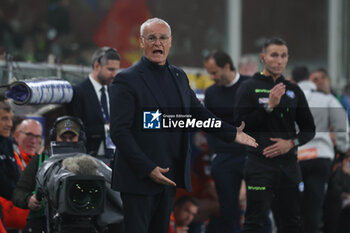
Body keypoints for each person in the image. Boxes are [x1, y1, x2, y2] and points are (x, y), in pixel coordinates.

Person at [110, 17, 257, 233]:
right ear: (142, 42)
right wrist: (148, 168)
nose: (157, 43)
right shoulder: (126, 79)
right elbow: (119, 132)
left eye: (162, 38)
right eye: (151, 38)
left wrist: (231, 133)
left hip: (169, 177)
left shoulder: (179, 76)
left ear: (170, 42)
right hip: (138, 179)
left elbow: (198, 113)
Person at [234, 37, 316, 233]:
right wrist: (268, 107)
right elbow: (239, 126)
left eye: (283, 56)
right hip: (259, 166)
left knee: (291, 223)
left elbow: (309, 129)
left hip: (289, 167)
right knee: (254, 222)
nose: (279, 60)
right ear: (263, 57)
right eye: (274, 55)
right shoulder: (248, 87)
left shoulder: (294, 90)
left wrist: (291, 143)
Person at [291, 66, 349, 233]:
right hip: (321, 157)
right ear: (310, 78)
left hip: (297, 157)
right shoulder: (326, 99)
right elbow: (341, 125)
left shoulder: (288, 99)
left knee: (297, 205)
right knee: (314, 205)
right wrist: (343, 147)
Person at [12, 116, 84, 233]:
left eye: (72, 138)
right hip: (42, 223)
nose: (67, 141)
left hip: (79, 223)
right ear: (54, 138)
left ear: (80, 138)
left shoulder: (88, 163)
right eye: (63, 137)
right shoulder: (39, 161)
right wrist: (28, 199)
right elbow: (18, 192)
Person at [204, 50, 250, 233]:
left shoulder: (251, 85)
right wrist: (215, 154)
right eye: (210, 73)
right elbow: (209, 126)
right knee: (228, 211)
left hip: (251, 155)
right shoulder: (211, 93)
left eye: (214, 72)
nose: (212, 77)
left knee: (258, 208)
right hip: (224, 157)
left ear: (227, 67)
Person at [68, 46, 120, 163]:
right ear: (97, 66)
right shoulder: (79, 92)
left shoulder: (114, 91)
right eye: (110, 69)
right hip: (88, 158)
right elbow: (76, 130)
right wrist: (105, 129)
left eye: (116, 70)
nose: (114, 74)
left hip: (114, 158)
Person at [0, 119, 43, 232]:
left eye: (38, 136)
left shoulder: (42, 163)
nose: (33, 141)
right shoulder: (7, 159)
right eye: (29, 134)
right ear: (17, 135)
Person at [0, 99, 20, 233]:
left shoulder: (7, 143)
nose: (10, 124)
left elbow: (15, 176)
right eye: (4, 119)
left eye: (10, 119)